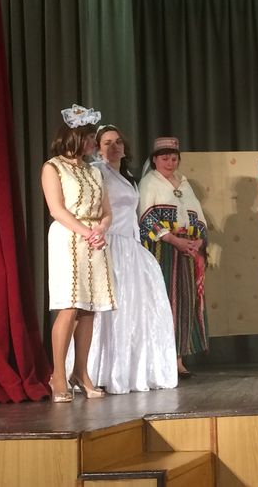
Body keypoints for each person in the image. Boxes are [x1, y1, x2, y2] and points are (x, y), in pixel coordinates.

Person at [71, 126, 178, 393]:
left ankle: (128, 370)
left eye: (118, 142)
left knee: (134, 309)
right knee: (107, 311)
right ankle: (94, 371)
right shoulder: (96, 171)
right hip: (109, 244)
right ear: (97, 148)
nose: (114, 147)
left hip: (130, 246)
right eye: (107, 142)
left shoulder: (127, 176)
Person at [41, 104, 115, 402]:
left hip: (94, 240)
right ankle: (58, 375)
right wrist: (86, 231)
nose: (92, 143)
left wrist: (101, 229)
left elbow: (107, 212)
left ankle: (81, 372)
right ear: (74, 136)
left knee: (88, 309)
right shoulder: (53, 167)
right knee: (69, 305)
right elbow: (56, 209)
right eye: (89, 137)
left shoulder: (94, 171)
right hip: (68, 237)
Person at [139, 137, 208, 378]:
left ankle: (179, 358)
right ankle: (162, 359)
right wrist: (173, 240)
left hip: (186, 251)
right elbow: (146, 218)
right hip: (162, 251)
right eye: (165, 158)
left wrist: (198, 241)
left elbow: (198, 217)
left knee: (184, 303)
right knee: (165, 302)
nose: (170, 163)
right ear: (155, 160)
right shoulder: (149, 183)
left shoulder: (184, 184)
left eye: (174, 158)